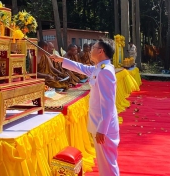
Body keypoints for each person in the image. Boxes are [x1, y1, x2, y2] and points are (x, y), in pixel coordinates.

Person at [51, 39, 120, 176]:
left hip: (104, 127)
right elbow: (81, 68)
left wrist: (102, 129)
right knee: (104, 163)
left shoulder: (105, 71)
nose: (91, 49)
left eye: (94, 47)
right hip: (100, 124)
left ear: (100, 51)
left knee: (108, 163)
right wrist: (61, 60)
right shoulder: (99, 68)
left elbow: (108, 103)